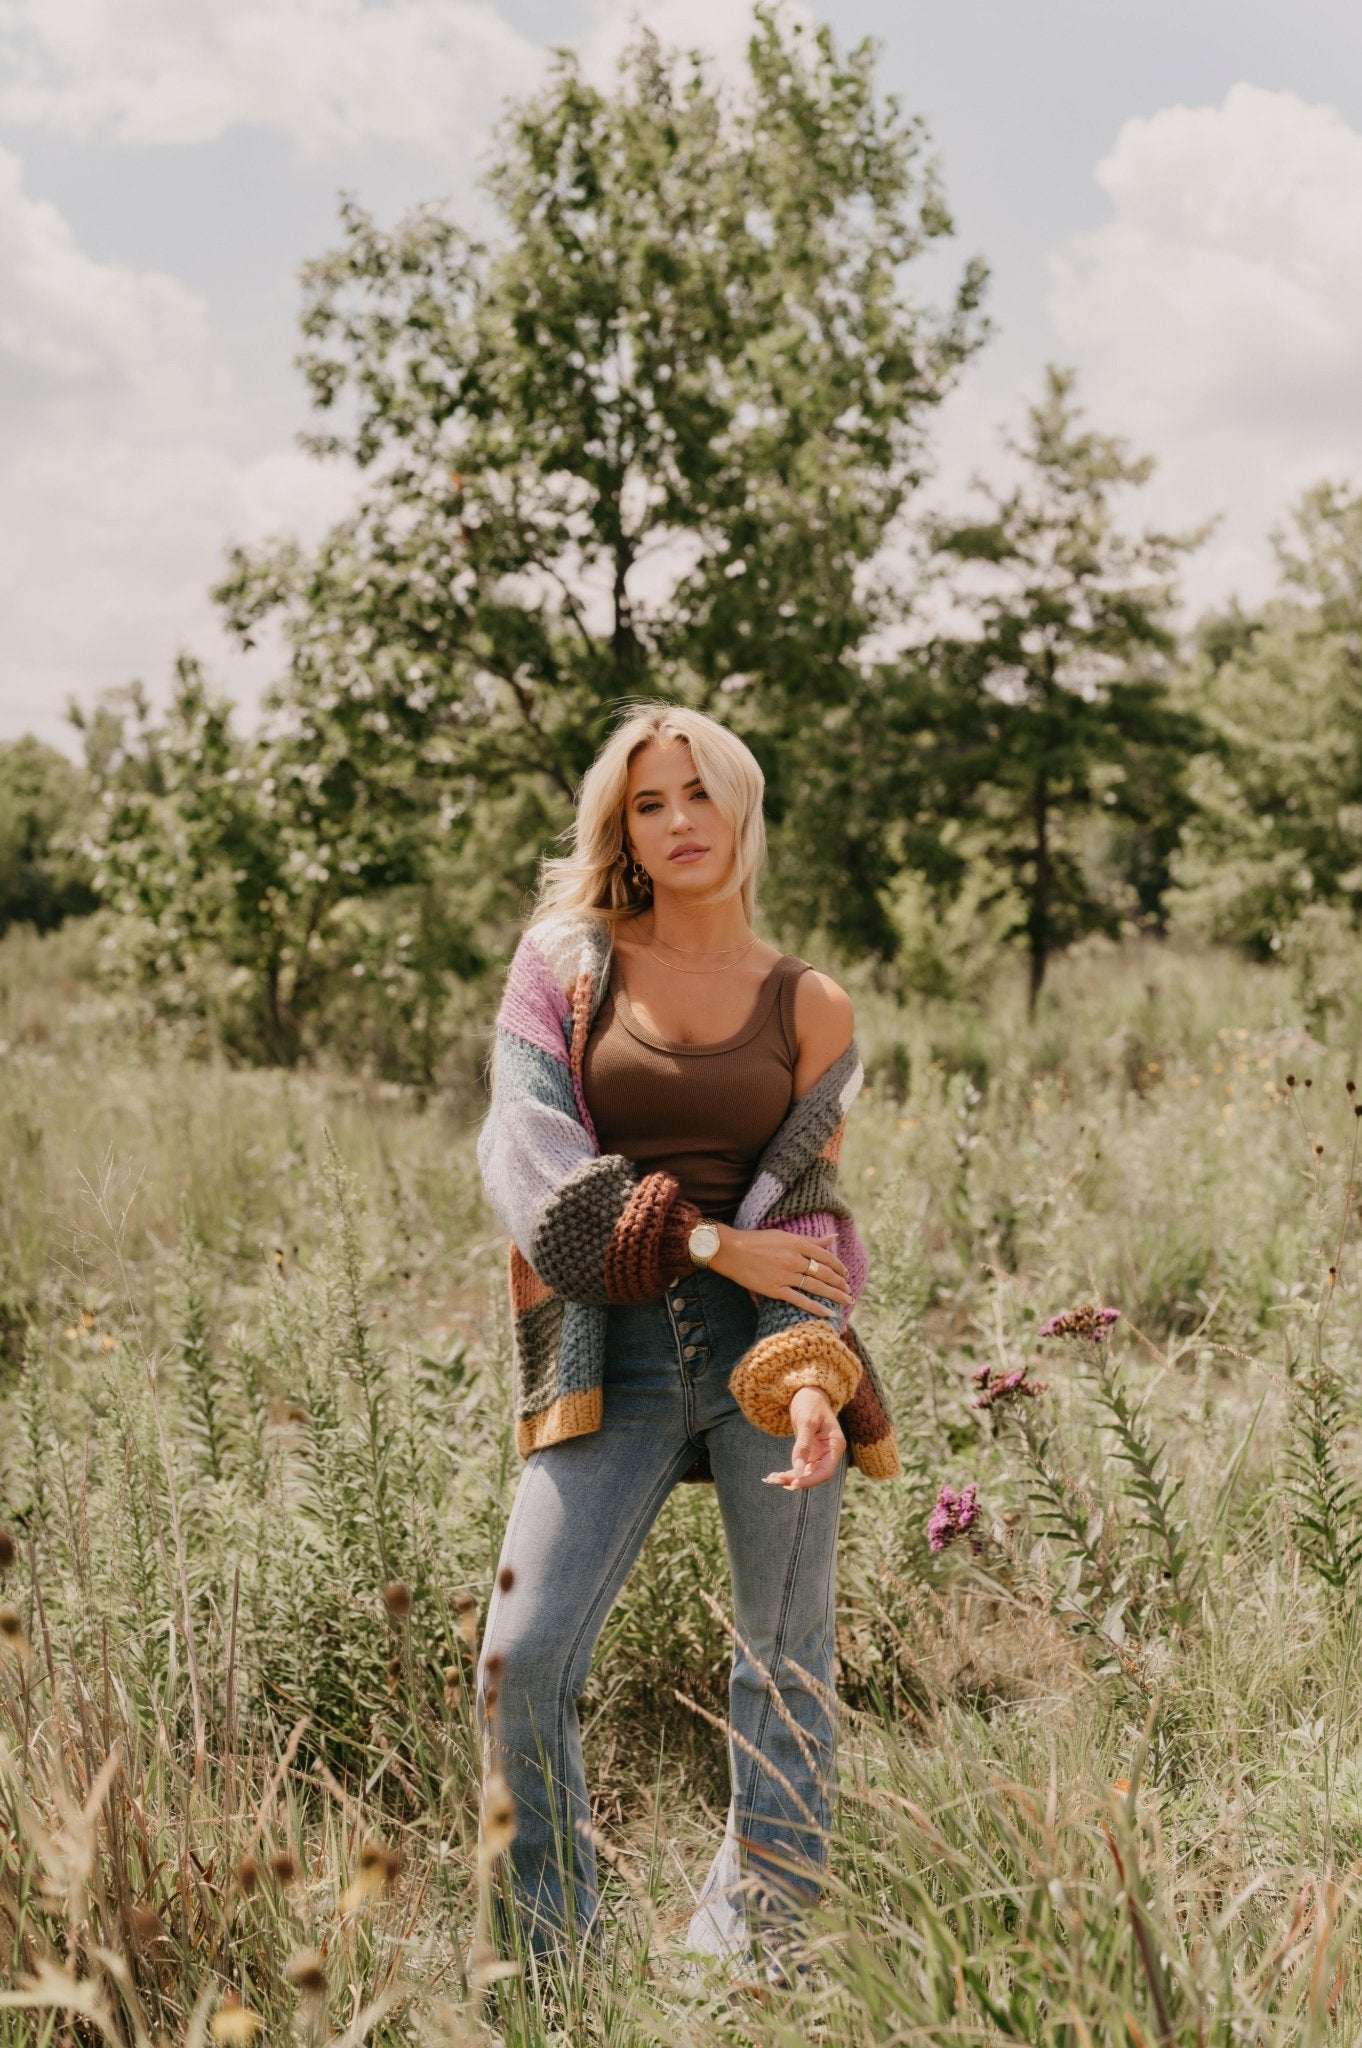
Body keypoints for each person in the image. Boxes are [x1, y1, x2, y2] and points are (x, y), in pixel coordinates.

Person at [474, 701, 900, 1985]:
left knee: (784, 1664)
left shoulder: (810, 1002)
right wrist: (717, 1244)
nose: (677, 822)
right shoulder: (566, 963)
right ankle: (552, 1962)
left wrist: (817, 1374)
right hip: (611, 1350)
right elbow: (534, 1171)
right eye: (649, 802)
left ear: (742, 807)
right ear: (624, 826)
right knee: (519, 1655)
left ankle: (754, 1953)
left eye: (698, 794)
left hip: (769, 1357)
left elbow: (815, 1217)